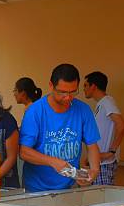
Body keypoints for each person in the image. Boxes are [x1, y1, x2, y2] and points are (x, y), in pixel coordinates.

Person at [20, 64, 101, 192]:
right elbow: (24, 152)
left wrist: (94, 171)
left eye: (73, 92)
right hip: (37, 188)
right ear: (51, 86)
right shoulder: (35, 111)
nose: (68, 97)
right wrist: (53, 162)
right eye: (62, 92)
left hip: (69, 187)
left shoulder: (83, 110)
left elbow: (92, 145)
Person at [84, 71, 124, 185]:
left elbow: (121, 125)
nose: (84, 89)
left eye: (85, 85)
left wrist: (112, 151)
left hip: (105, 163)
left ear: (93, 86)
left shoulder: (107, 102)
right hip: (99, 161)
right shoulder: (101, 104)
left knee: (101, 199)